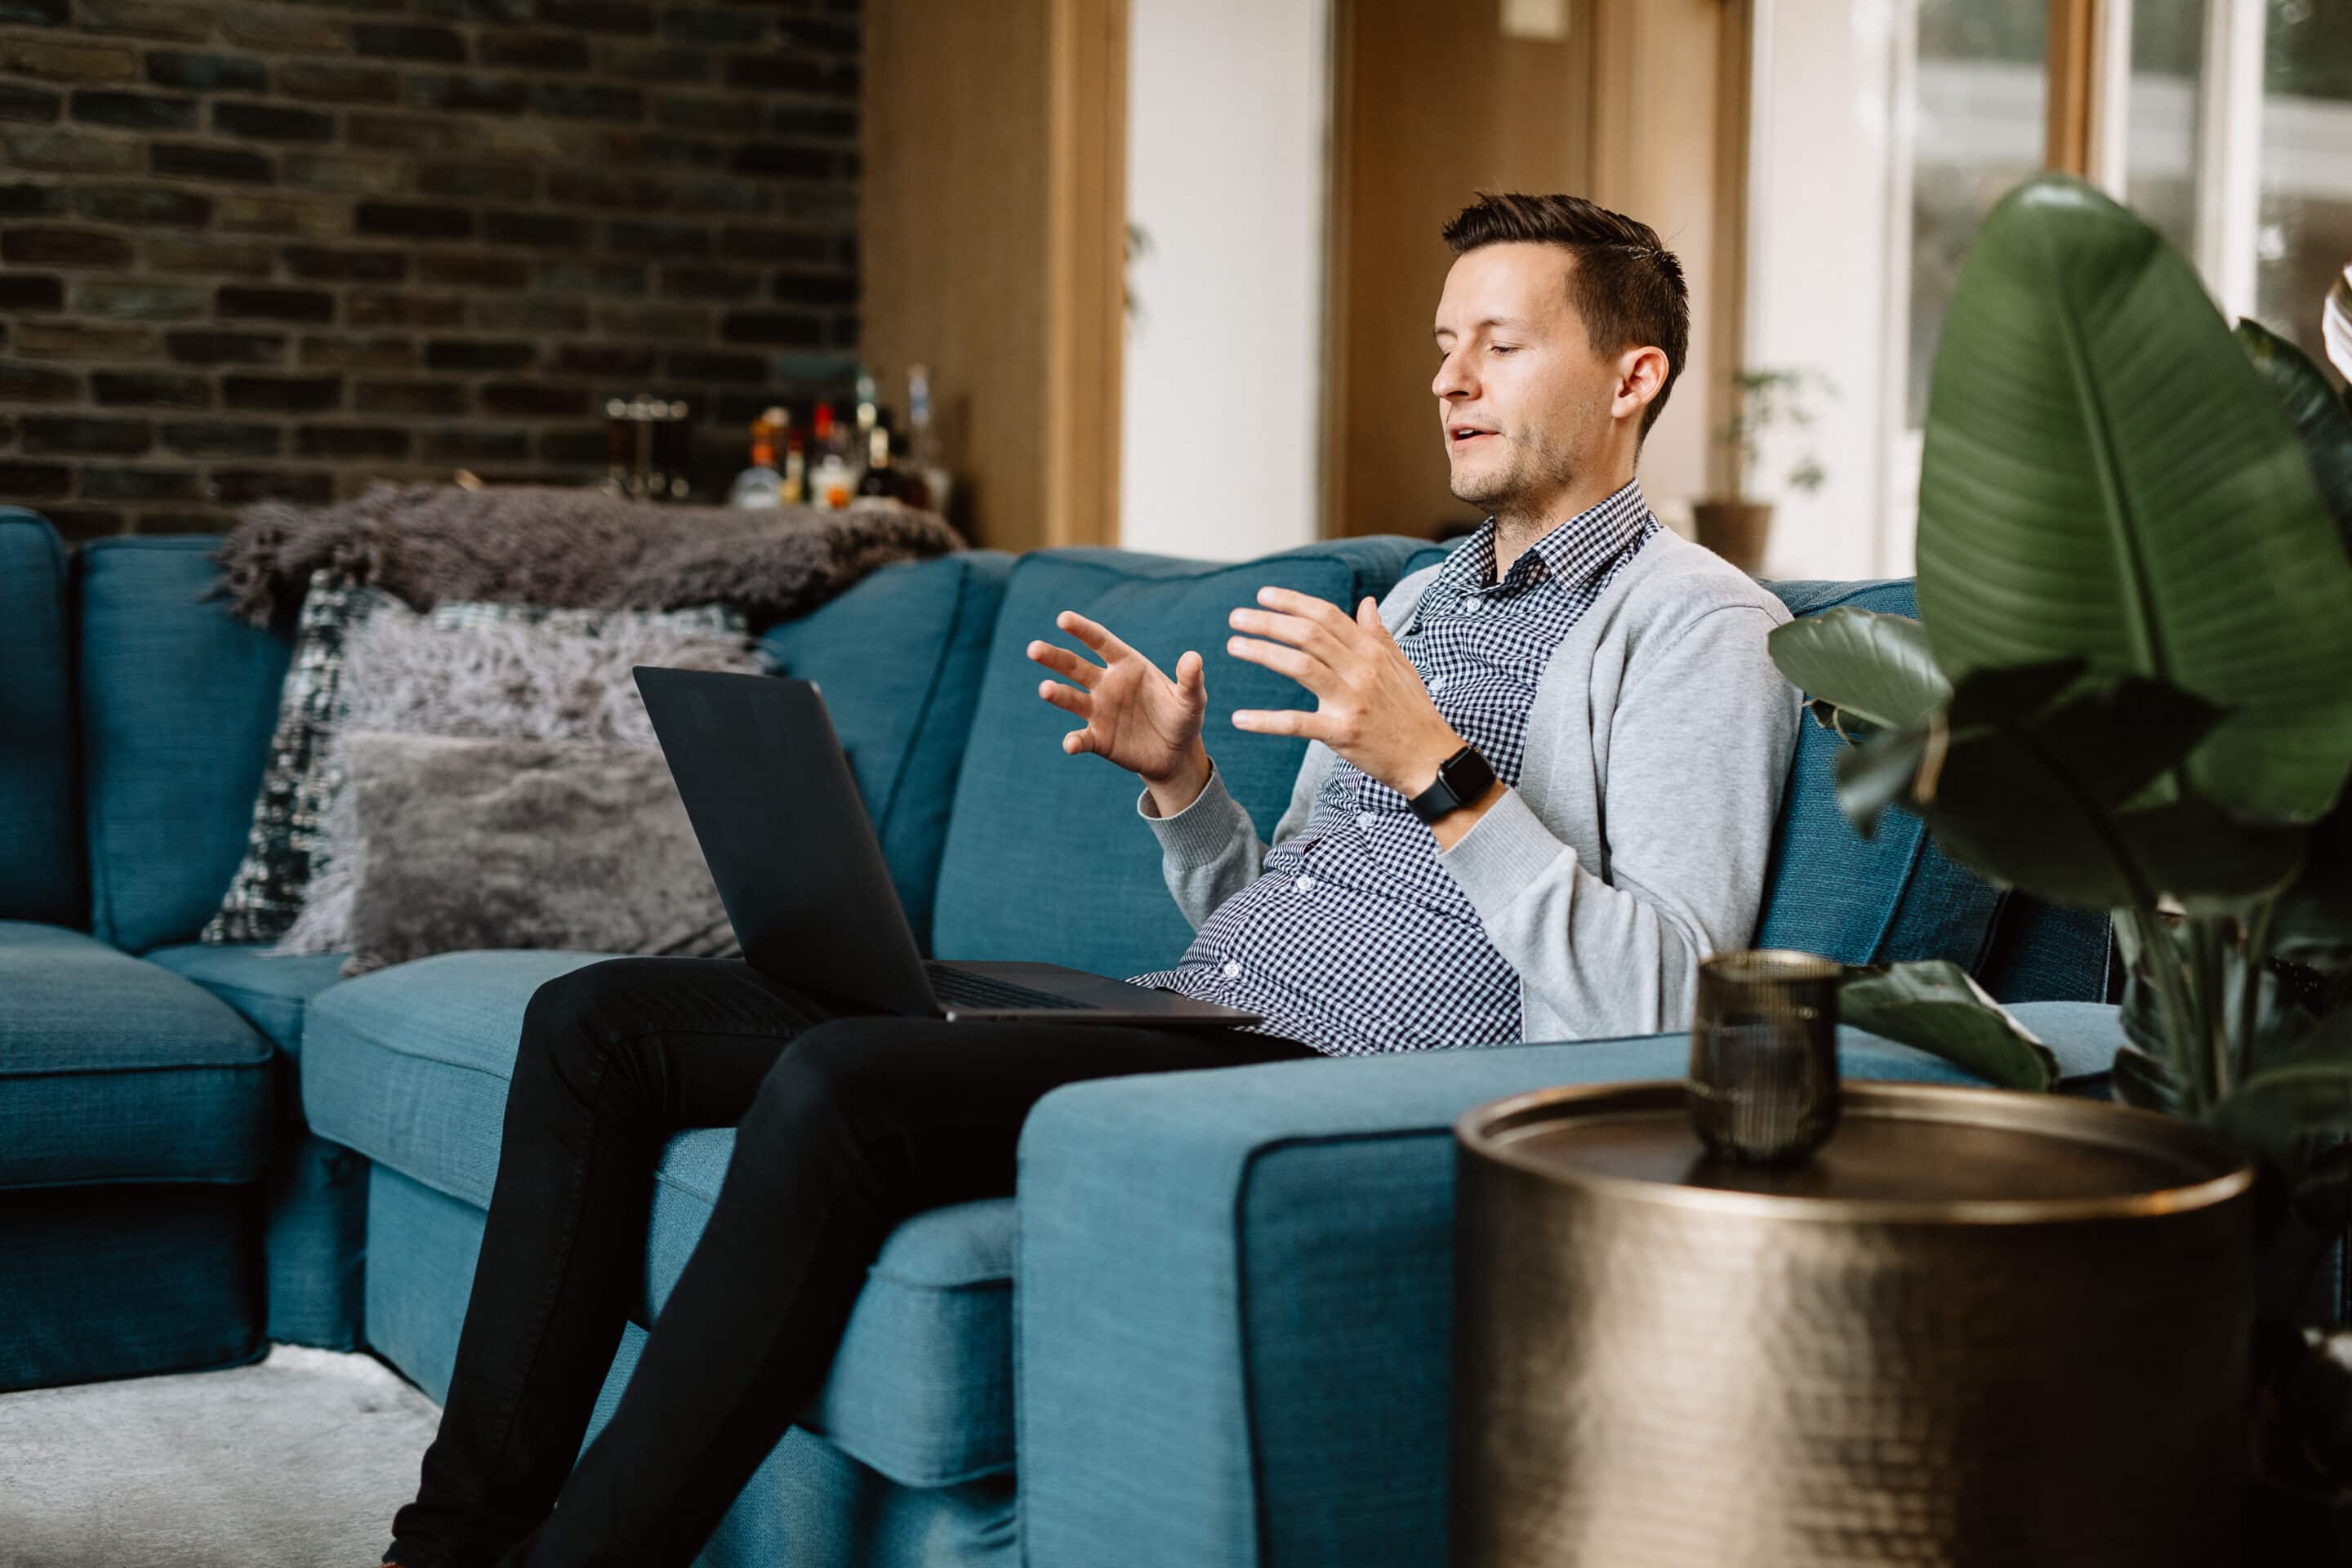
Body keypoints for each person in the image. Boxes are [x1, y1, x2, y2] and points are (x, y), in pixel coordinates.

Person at [380, 191, 1798, 1568]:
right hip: (1194, 1018)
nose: (1453, 380)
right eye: (1442, 344)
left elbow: (1673, 998)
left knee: (841, 1084)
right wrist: (1181, 788)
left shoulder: (1702, 630)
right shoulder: (1420, 601)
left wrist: (1441, 768)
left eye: (1501, 343)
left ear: (1634, 376)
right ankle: (448, 1549)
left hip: (1336, 1077)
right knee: (594, 1025)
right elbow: (1287, 902)